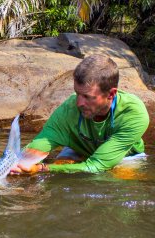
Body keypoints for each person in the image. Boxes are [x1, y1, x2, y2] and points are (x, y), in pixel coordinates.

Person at [11, 54, 150, 174]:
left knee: (113, 180)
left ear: (111, 94)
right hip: (80, 151)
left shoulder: (134, 114)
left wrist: (42, 168)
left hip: (125, 157)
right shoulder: (69, 108)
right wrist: (16, 164)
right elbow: (40, 144)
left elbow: (97, 166)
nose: (79, 103)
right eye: (77, 93)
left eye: (87, 96)